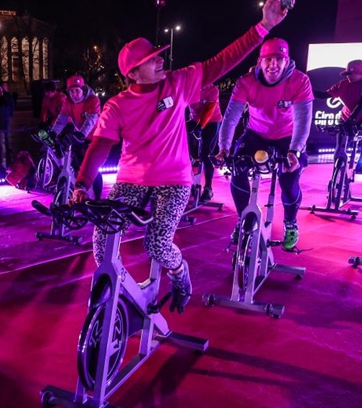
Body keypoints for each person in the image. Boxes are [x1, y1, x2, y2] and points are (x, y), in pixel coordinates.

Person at [73, 0, 291, 312]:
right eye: (153, 60)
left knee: (157, 245)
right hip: (132, 179)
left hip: (174, 179)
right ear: (133, 73)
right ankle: (121, 296)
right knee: (102, 240)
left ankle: (180, 274)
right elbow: (100, 146)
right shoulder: (117, 105)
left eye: (160, 56)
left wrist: (264, 27)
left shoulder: (178, 82)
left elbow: (222, 61)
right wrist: (81, 184)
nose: (162, 61)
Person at [216, 37, 313, 252]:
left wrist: (295, 151)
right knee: (237, 169)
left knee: (289, 179)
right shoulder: (246, 82)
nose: (273, 65)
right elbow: (231, 117)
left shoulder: (299, 81)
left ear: (287, 61)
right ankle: (244, 220)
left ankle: (290, 223)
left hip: (287, 137)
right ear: (260, 61)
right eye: (268, 59)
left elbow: (303, 119)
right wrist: (224, 148)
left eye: (279, 59)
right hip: (256, 134)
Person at [51, 74, 104, 199]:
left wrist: (81, 133)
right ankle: (80, 193)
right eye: (71, 91)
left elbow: (91, 119)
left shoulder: (93, 100)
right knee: (76, 166)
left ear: (83, 89)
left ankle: (97, 198)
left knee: (93, 169)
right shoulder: (68, 101)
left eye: (77, 91)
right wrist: (53, 133)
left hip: (96, 137)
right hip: (80, 137)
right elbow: (62, 119)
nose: (74, 94)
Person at [326, 59, 362, 173]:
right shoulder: (343, 84)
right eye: (347, 74)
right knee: (340, 141)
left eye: (351, 74)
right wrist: (306, 90)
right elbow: (325, 94)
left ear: (361, 73)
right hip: (346, 116)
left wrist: (351, 120)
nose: (348, 77)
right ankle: (338, 169)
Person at [187, 83, 223, 201]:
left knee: (205, 155)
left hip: (212, 121)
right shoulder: (188, 87)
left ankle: (208, 188)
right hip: (195, 119)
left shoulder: (212, 89)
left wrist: (200, 126)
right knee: (183, 148)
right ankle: (188, 183)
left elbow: (209, 110)